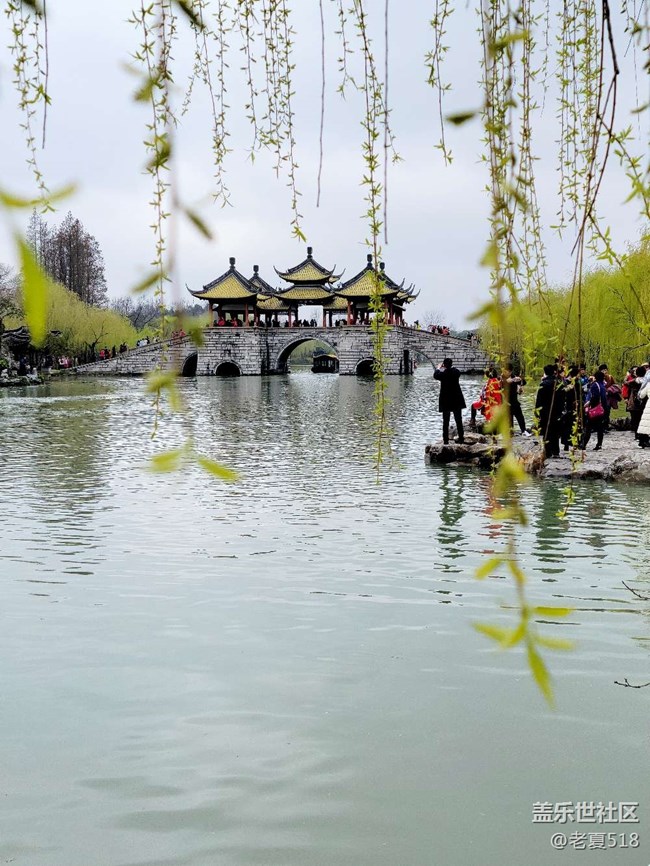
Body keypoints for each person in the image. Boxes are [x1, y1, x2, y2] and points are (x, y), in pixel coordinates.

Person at [434, 357, 466, 445]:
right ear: (451, 364)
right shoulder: (456, 372)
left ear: (444, 365)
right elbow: (457, 371)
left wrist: (439, 368)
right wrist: (448, 367)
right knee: (458, 420)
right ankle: (461, 438)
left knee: (446, 421)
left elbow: (435, 375)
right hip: (456, 399)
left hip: (446, 400)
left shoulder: (442, 374)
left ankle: (445, 440)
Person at [535, 364, 564, 457]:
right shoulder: (559, 383)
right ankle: (556, 451)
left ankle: (548, 451)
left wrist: (537, 411)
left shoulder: (544, 384)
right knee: (555, 431)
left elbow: (539, 400)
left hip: (545, 411)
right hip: (557, 411)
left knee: (546, 431)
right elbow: (562, 398)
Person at [583, 369, 608, 450]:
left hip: (595, 409)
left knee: (588, 427)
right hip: (601, 409)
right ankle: (599, 444)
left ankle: (584, 444)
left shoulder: (595, 385)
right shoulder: (603, 385)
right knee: (600, 428)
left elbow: (595, 397)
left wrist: (589, 403)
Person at [503, 364, 529, 435]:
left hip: (514, 401)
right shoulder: (502, 378)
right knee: (509, 418)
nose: (506, 373)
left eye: (508, 371)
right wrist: (507, 381)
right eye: (505, 371)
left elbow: (523, 383)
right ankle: (510, 431)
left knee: (520, 416)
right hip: (506, 402)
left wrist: (521, 380)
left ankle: (523, 430)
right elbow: (500, 385)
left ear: (510, 371)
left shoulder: (514, 377)